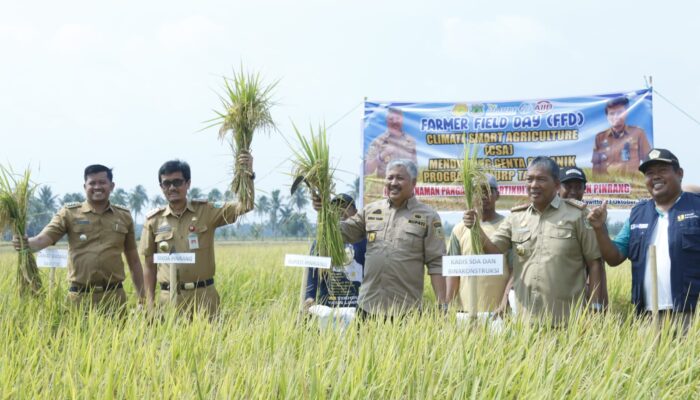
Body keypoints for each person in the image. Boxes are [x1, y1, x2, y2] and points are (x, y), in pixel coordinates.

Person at [463, 156, 604, 324]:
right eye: (529, 179)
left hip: (567, 320)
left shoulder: (577, 215)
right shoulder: (516, 218)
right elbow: (493, 250)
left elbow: (595, 263)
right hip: (525, 320)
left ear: (557, 185)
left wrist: (594, 308)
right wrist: (475, 228)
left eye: (541, 179)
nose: (534, 185)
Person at [315, 159, 447, 319]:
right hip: (367, 306)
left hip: (406, 311)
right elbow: (344, 232)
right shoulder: (371, 210)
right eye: (390, 178)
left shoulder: (429, 217)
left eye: (400, 178)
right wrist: (324, 212)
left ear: (413, 183)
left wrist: (442, 305)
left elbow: (437, 264)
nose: (393, 183)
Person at [587, 148, 700, 325]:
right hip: (647, 316)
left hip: (691, 315)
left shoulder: (696, 208)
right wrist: (600, 228)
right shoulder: (637, 214)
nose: (655, 176)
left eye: (662, 170)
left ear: (679, 174)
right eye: (649, 173)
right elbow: (614, 257)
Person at [13, 164, 145, 311]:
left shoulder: (124, 216)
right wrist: (26, 243)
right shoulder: (69, 213)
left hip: (114, 297)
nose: (97, 187)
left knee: (118, 334)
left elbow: (133, 260)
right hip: (79, 298)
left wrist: (143, 299)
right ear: (85, 186)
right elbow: (43, 239)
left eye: (102, 182)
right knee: (77, 333)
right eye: (92, 183)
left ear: (112, 186)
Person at [139, 155, 254, 316]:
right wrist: (149, 303)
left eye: (177, 182)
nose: (172, 187)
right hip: (169, 299)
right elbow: (149, 265)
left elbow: (245, 205)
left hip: (204, 297)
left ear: (188, 183)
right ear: (161, 187)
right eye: (167, 183)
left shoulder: (206, 211)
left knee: (210, 341)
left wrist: (247, 173)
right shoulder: (154, 221)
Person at [446, 174, 511, 314]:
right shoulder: (459, 230)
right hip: (466, 312)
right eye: (477, 191)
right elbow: (453, 272)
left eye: (488, 190)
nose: (482, 196)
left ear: (497, 195)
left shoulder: (508, 226)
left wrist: (506, 303)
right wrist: (448, 306)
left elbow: (514, 270)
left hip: (499, 313)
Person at [305, 194, 366, 309]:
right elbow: (313, 272)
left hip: (357, 305)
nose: (340, 211)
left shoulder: (363, 240)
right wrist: (309, 297)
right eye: (335, 208)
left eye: (345, 207)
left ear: (356, 212)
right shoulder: (321, 241)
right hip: (328, 305)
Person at [559, 166, 609, 306]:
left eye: (578, 187)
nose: (573, 192)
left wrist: (597, 304)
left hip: (580, 294)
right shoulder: (548, 215)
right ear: (558, 187)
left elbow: (597, 264)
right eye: (568, 186)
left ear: (584, 189)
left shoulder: (591, 217)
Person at [591, 96, 651, 175]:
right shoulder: (600, 137)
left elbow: (648, 161)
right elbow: (596, 166)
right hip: (608, 185)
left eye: (620, 112)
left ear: (626, 113)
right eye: (612, 114)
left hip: (632, 185)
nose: (616, 117)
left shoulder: (638, 133)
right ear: (607, 116)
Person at [364, 108, 417, 178]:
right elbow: (368, 170)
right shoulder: (377, 142)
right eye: (391, 119)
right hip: (384, 186)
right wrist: (383, 155)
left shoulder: (410, 141)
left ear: (402, 120)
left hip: (406, 186)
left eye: (397, 118)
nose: (394, 122)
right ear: (387, 121)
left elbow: (415, 169)